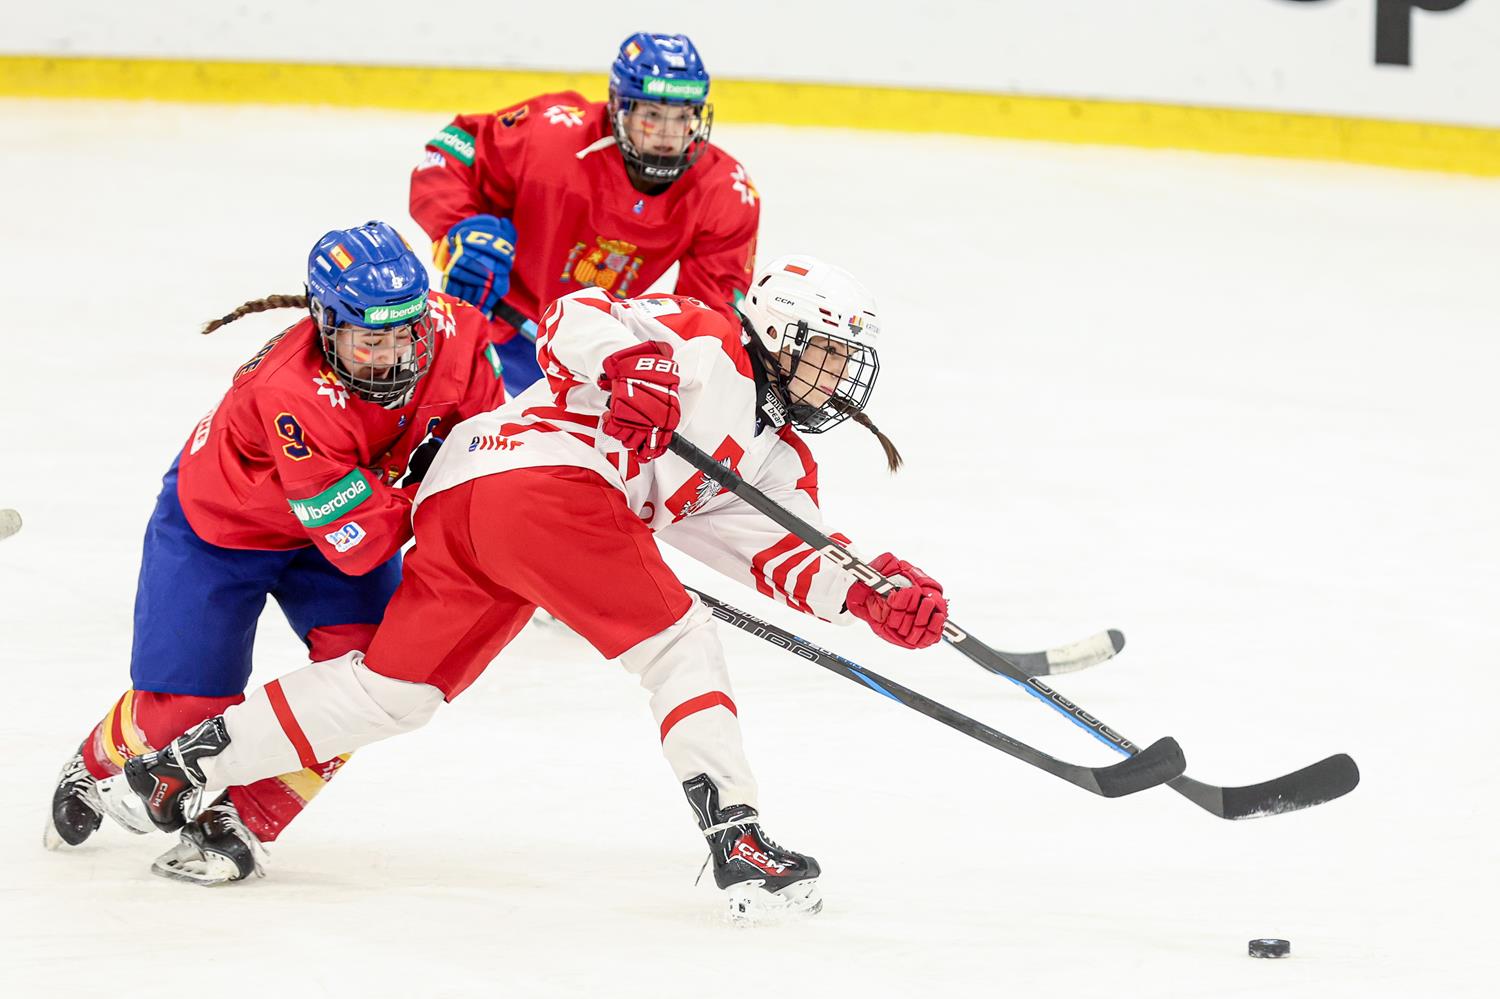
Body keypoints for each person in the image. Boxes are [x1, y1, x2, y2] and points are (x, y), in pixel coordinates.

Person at [118, 255, 948, 921]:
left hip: (473, 504)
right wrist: (633, 363)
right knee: (678, 641)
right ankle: (740, 839)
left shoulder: (776, 461)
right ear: (777, 331)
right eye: (826, 356)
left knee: (396, 692)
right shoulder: (705, 338)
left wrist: (871, 594)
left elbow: (781, 554)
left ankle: (188, 760)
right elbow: (572, 315)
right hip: (539, 479)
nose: (836, 381)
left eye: (846, 364)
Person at [45, 221, 508, 885]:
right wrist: (439, 498)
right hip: (221, 528)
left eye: (405, 334)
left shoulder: (459, 335)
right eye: (370, 340)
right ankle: (95, 763)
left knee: (379, 681)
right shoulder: (290, 394)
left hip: (348, 514)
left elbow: (491, 441)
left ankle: (243, 815)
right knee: (185, 706)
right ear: (325, 322)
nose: (393, 358)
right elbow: (359, 544)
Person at [411, 31, 759, 397]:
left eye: (682, 116)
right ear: (620, 108)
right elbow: (452, 154)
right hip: (499, 324)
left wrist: (673, 372)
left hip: (592, 349)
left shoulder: (725, 191)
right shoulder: (552, 134)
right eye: (653, 115)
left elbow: (708, 314)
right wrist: (459, 230)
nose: (669, 134)